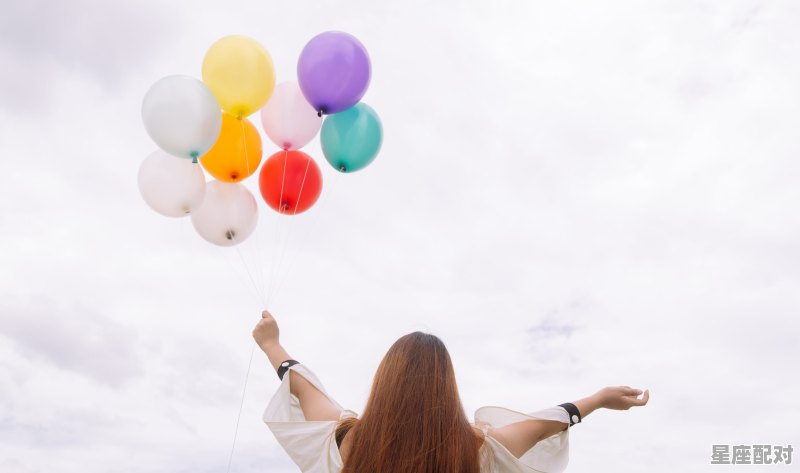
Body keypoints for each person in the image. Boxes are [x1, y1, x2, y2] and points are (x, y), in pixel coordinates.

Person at [254, 310, 649, 473]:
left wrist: (272, 344)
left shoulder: (348, 440)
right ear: (447, 388)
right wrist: (597, 400)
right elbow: (546, 423)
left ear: (385, 381)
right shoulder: (474, 449)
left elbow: (305, 389)